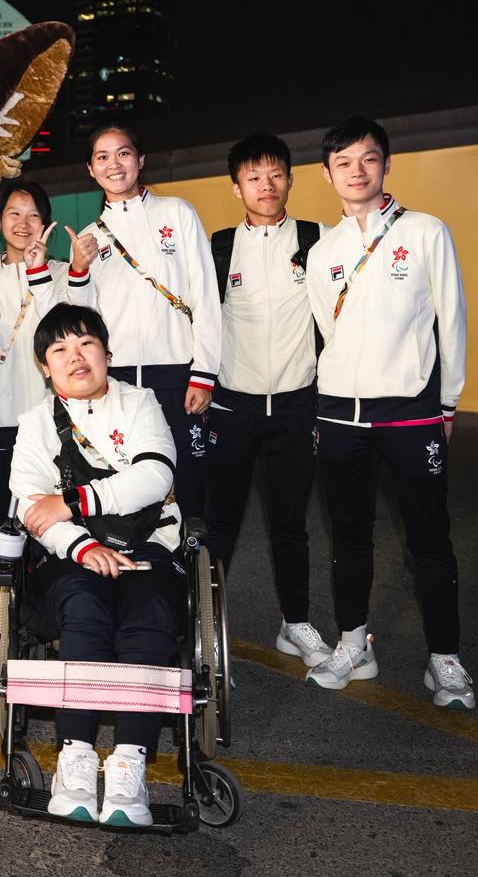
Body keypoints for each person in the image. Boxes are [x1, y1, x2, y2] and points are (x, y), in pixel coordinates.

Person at [305, 116, 472, 709]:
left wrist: (447, 400)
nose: (357, 171)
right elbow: (328, 333)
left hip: (411, 411)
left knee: (430, 537)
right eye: (343, 162)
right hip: (338, 416)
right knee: (348, 536)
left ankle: (445, 659)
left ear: (386, 165)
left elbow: (452, 320)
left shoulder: (425, 231)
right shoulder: (322, 251)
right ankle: (354, 644)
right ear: (327, 174)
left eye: (368, 159)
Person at [9, 303, 184, 827]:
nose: (76, 356)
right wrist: (83, 545)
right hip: (70, 553)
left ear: (107, 352)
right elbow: (30, 505)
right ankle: (76, 758)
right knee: (84, 608)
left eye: (86, 343)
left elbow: (155, 475)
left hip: (148, 542)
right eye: (60, 348)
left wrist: (74, 501)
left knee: (148, 610)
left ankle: (130, 762)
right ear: (45, 366)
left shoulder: (140, 403)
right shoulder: (35, 424)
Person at [204, 134, 331, 667]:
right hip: (233, 406)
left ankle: (295, 623)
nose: (266, 185)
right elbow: (200, 323)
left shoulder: (318, 240)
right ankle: (204, 630)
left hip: (298, 405)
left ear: (290, 180)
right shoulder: (219, 247)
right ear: (237, 188)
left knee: (290, 523)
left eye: (276, 174)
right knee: (219, 524)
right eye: (254, 177)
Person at [74, 125, 221, 523]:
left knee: (186, 475)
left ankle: (190, 554)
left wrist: (203, 374)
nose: (114, 164)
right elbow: (84, 321)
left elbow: (206, 297)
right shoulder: (89, 237)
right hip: (117, 378)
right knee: (126, 476)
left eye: (123, 153)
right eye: (102, 157)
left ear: (140, 160)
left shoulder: (177, 212)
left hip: (177, 373)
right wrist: (78, 270)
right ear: (91, 169)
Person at [0, 180, 97, 526]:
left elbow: (78, 330)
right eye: (14, 214)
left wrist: (54, 271)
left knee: (61, 517)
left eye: (33, 215)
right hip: (1, 422)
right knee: (7, 520)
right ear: (0, 221)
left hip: (59, 418)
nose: (23, 223)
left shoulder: (65, 275)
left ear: (46, 223)